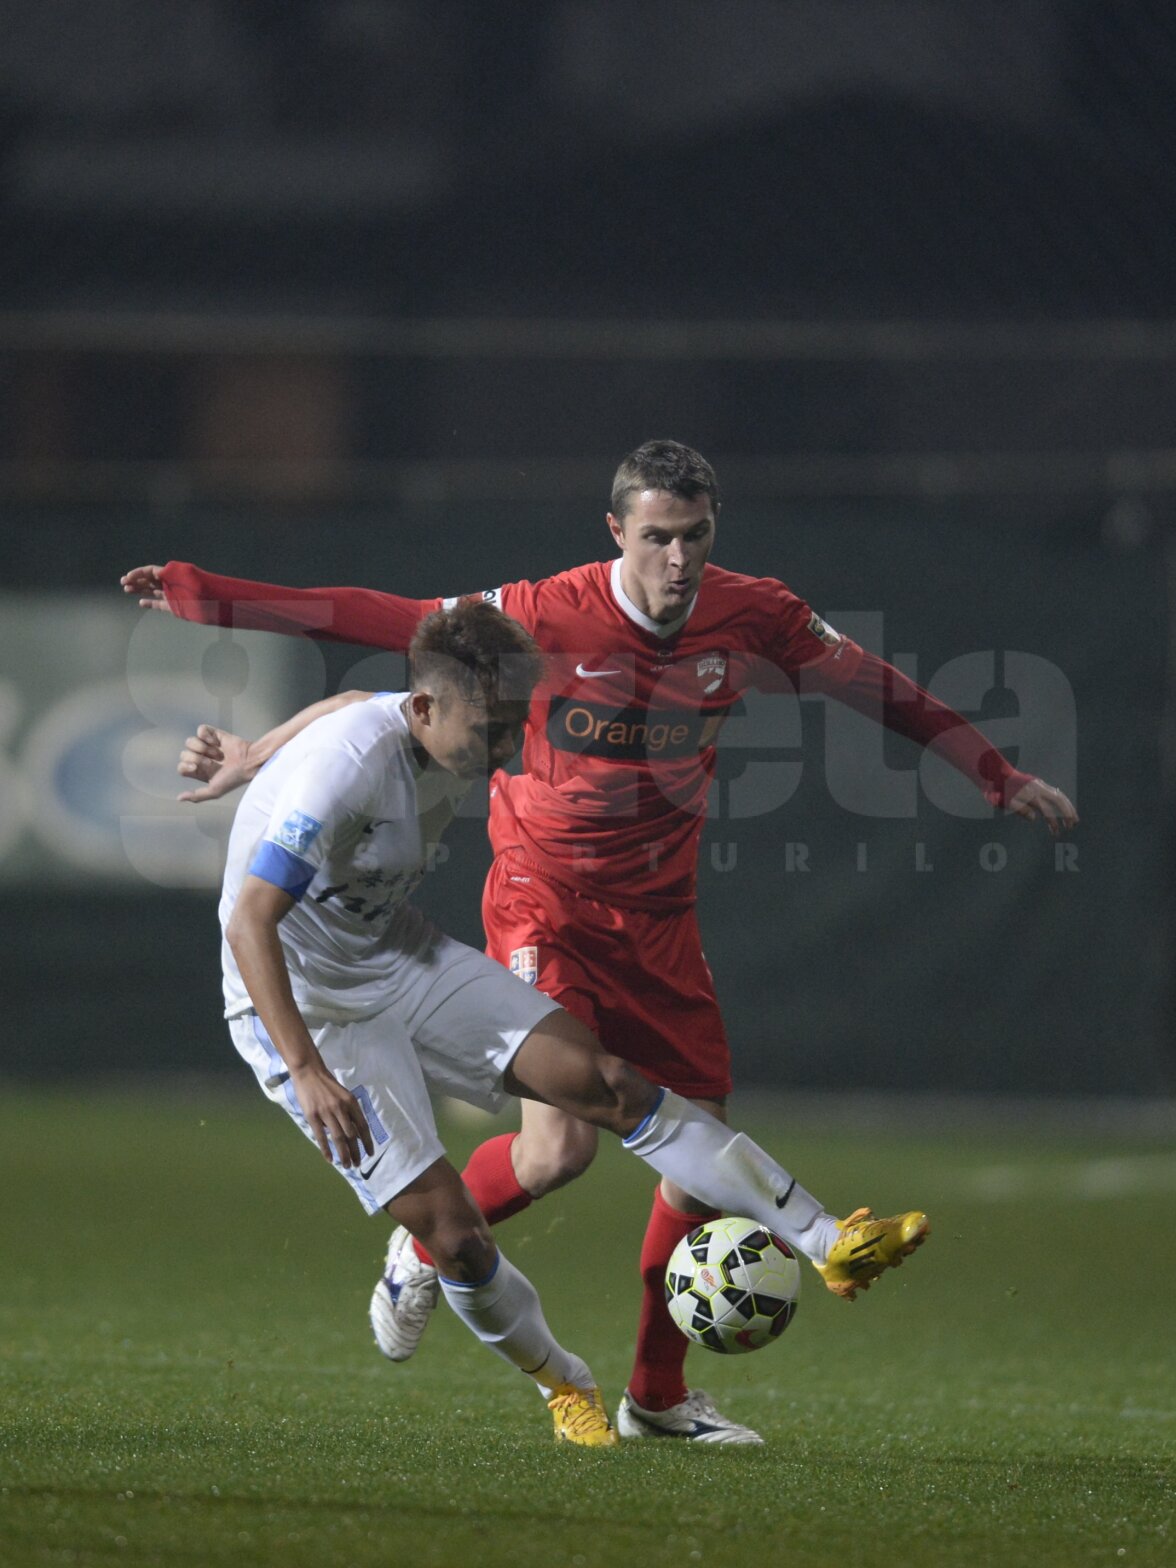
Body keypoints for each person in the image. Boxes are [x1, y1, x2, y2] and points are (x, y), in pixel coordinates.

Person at [122, 438, 1069, 1445]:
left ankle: (657, 1393)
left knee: (696, 1149)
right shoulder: (540, 611)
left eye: (695, 536)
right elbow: (373, 620)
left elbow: (874, 682)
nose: (677, 559)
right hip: (542, 898)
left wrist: (992, 772)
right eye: (657, 536)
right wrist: (206, 593)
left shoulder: (757, 615)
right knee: (559, 1147)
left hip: (659, 915)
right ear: (616, 530)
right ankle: (424, 1251)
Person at [214, 594, 931, 1448]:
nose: (509, 748)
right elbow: (249, 918)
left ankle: (828, 1239)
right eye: (492, 730)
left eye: (518, 724)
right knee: (456, 1237)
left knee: (611, 1085)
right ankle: (564, 1383)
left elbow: (346, 706)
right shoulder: (342, 772)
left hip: (398, 956)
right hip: (304, 1009)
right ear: (426, 707)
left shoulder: (414, 718)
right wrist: (304, 1068)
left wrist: (251, 753)